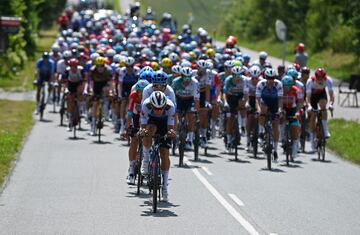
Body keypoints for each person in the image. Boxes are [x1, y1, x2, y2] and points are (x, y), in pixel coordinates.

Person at [139, 91, 176, 202]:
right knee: (148, 131)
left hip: (165, 124)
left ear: (165, 105)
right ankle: (145, 161)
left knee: (164, 153)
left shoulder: (170, 107)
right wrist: (142, 131)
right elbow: (143, 124)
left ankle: (164, 186)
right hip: (152, 122)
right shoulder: (146, 105)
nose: (158, 110)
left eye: (161, 108)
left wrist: (171, 133)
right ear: (151, 105)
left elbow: (171, 126)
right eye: (156, 108)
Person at [125, 79, 150, 185]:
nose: (140, 94)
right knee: (134, 140)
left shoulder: (149, 96)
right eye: (139, 91)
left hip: (147, 118)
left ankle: (150, 165)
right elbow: (130, 113)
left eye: (142, 92)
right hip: (136, 117)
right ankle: (131, 170)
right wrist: (127, 128)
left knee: (148, 137)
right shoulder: (133, 95)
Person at [255, 68, 283, 162]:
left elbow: (280, 99)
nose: (270, 80)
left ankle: (275, 150)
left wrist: (279, 109)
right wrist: (258, 109)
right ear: (265, 77)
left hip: (275, 103)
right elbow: (257, 99)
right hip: (264, 101)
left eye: (272, 78)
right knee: (262, 110)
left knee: (275, 126)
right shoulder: (261, 84)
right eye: (268, 78)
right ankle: (261, 132)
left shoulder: (278, 84)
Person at [306, 68, 334, 152]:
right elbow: (308, 97)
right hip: (312, 97)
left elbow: (331, 95)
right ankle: (312, 138)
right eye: (318, 77)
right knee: (313, 115)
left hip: (321, 94)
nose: (320, 79)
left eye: (322, 77)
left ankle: (325, 130)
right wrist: (309, 105)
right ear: (316, 76)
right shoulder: (310, 81)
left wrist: (331, 104)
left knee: (323, 108)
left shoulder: (328, 80)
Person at [172, 66, 200, 149]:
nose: (187, 80)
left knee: (191, 115)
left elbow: (197, 99)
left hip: (189, 100)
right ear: (181, 76)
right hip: (179, 99)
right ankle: (176, 134)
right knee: (176, 116)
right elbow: (172, 97)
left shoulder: (195, 83)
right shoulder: (176, 82)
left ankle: (190, 139)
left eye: (189, 77)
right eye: (185, 77)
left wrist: (196, 112)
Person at [223, 65, 248, 152]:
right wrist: (226, 103)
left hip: (240, 96)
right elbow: (225, 93)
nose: (237, 78)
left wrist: (246, 102)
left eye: (239, 75)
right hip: (230, 98)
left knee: (243, 104)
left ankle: (243, 126)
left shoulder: (245, 80)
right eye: (235, 75)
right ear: (232, 75)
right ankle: (229, 140)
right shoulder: (228, 80)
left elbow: (246, 94)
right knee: (230, 118)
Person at [88, 56, 113, 136]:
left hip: (105, 84)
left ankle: (106, 106)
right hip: (96, 85)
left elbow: (111, 82)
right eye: (98, 66)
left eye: (101, 66)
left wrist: (111, 91)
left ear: (104, 65)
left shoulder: (108, 70)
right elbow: (90, 82)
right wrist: (91, 90)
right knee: (95, 103)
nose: (100, 68)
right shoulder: (92, 70)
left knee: (107, 91)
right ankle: (93, 123)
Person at [63, 58, 85, 131]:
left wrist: (83, 90)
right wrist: (66, 89)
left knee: (80, 91)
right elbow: (65, 82)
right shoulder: (67, 70)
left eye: (75, 66)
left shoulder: (81, 70)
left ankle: (80, 107)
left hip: (79, 83)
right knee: (69, 99)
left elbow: (84, 81)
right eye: (72, 66)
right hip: (70, 84)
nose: (73, 68)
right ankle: (69, 119)